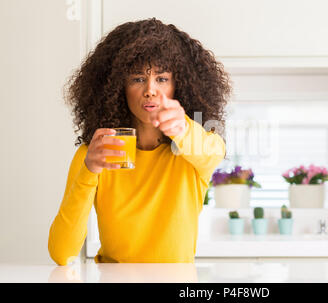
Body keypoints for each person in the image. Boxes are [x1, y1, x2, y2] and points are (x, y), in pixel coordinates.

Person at [48, 18, 231, 265]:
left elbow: (213, 152)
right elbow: (61, 253)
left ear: (179, 86)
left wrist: (183, 129)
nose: (150, 90)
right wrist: (88, 172)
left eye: (162, 79)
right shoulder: (96, 154)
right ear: (117, 87)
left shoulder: (193, 151)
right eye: (137, 79)